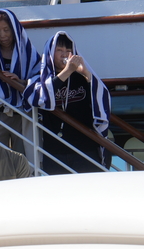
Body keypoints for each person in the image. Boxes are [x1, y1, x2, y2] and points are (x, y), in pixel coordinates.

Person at [31, 31, 111, 173]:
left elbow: (102, 97)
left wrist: (86, 73)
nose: (64, 54)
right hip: (55, 151)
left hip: (85, 149)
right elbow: (40, 98)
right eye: (59, 50)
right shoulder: (41, 78)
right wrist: (67, 71)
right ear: (50, 53)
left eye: (68, 51)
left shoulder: (82, 77)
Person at [0, 8, 42, 109]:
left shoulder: (28, 51)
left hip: (24, 107)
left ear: (14, 30)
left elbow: (41, 77)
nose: (2, 35)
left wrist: (21, 81)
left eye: (6, 30)